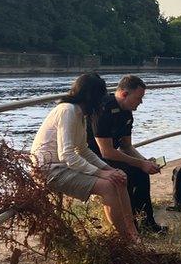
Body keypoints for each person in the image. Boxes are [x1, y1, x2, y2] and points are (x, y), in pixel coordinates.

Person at [30, 73, 138, 241]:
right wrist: (101, 173)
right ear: (92, 96)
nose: (102, 103)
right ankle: (123, 239)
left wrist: (110, 169)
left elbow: (83, 149)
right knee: (108, 186)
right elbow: (67, 154)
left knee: (119, 178)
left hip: (63, 167)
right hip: (49, 170)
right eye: (101, 97)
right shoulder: (67, 111)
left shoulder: (80, 114)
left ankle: (132, 233)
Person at [87, 75, 166, 235]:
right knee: (126, 175)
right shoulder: (104, 109)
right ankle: (130, 226)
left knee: (141, 174)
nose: (140, 102)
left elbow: (126, 146)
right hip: (91, 157)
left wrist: (144, 162)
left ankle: (146, 223)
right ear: (124, 94)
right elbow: (106, 151)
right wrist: (140, 164)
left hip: (109, 156)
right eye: (138, 98)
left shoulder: (127, 113)